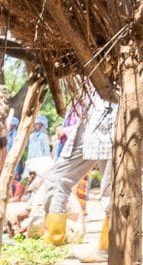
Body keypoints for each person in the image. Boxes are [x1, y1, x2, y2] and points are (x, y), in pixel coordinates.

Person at [39, 88, 116, 256]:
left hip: (114, 129)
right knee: (57, 178)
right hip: (89, 128)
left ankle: (108, 248)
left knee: (111, 193)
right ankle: (53, 240)